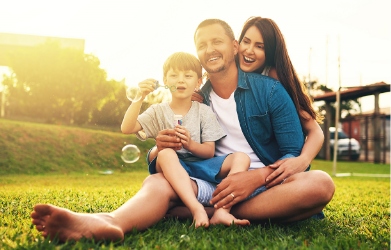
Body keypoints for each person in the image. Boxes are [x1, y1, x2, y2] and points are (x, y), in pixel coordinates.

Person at [30, 19, 335, 242]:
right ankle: (108, 222)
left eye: (216, 41)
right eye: (201, 45)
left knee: (320, 184)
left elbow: (295, 155)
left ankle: (190, 210)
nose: (209, 49)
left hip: (263, 187)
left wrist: (254, 177)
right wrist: (161, 145)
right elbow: (166, 156)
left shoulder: (270, 90)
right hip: (207, 182)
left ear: (233, 46)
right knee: (159, 184)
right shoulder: (194, 99)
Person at [121, 51, 265, 228]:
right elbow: (127, 128)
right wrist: (139, 98)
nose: (181, 80)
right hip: (171, 166)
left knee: (242, 157)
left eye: (188, 76)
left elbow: (209, 152)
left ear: (198, 82)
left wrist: (190, 144)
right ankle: (196, 208)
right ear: (165, 81)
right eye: (174, 75)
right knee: (165, 153)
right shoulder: (157, 111)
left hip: (200, 166)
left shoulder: (203, 111)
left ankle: (223, 211)